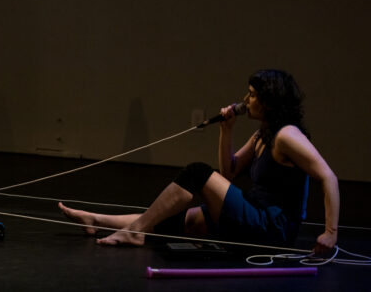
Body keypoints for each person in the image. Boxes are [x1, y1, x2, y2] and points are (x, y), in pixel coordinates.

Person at [58, 69, 339, 254]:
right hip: (254, 214)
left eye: (252, 95)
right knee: (179, 222)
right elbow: (228, 172)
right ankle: (97, 219)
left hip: (272, 228)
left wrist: (330, 233)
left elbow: (329, 177)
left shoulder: (288, 135)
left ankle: (134, 232)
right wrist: (225, 131)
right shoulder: (261, 135)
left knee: (197, 173)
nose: (245, 100)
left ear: (268, 101)